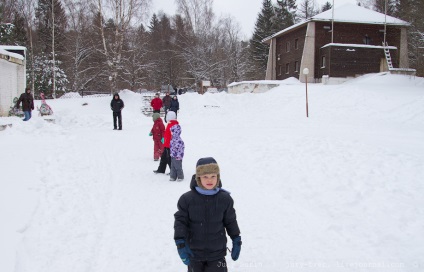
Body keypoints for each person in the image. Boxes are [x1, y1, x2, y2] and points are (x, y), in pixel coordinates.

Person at [174, 157, 242, 271]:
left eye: (213, 176)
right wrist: (180, 242)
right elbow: (181, 222)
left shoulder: (225, 199)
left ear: (218, 177)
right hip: (194, 253)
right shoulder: (187, 199)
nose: (209, 180)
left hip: (217, 254)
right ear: (198, 177)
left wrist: (236, 238)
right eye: (205, 176)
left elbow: (230, 221)